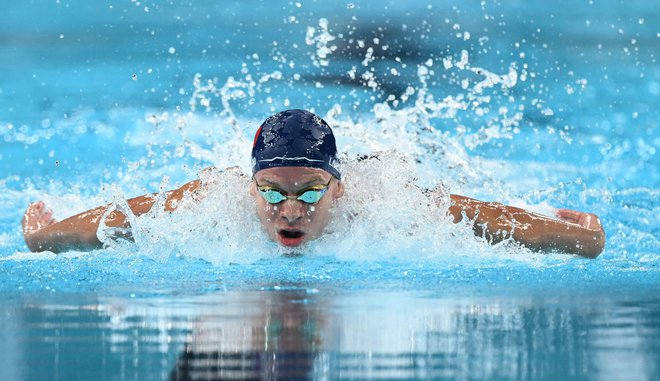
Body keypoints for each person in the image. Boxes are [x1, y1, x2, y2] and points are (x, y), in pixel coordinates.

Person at [21, 109, 606, 258]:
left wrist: (576, 234)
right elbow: (122, 218)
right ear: (252, 188)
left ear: (338, 189)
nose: (289, 211)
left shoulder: (385, 204)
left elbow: (480, 216)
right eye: (272, 192)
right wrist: (43, 237)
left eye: (309, 192)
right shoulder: (211, 201)